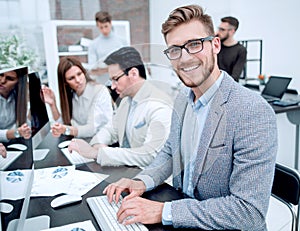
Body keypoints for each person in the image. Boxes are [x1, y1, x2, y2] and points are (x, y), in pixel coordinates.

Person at [103, 5, 277, 230]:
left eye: (194, 44)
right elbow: (169, 151)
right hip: (187, 218)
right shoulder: (183, 99)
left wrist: (164, 211)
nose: (184, 58)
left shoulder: (252, 111)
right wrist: (141, 181)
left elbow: (249, 211)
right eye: (174, 50)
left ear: (215, 45)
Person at [68, 46, 173, 167]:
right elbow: (111, 129)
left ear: (133, 73)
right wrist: (97, 143)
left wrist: (99, 153)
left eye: (115, 79)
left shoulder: (159, 105)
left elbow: (150, 155)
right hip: (130, 172)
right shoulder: (126, 100)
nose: (112, 86)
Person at [42, 57, 113, 139]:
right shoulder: (73, 94)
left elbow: (91, 129)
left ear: (84, 72)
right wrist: (52, 104)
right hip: (82, 142)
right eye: (71, 78)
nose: (78, 80)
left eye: (79, 74)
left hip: (100, 143)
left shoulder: (100, 91)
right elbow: (65, 123)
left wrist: (66, 130)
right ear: (65, 82)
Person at [88, 11, 128, 85]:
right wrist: (113, 68)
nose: (104, 30)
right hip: (102, 85)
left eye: (106, 26)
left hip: (121, 84)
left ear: (110, 23)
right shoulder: (93, 44)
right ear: (97, 26)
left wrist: (104, 69)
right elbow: (92, 69)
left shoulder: (122, 42)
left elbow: (128, 64)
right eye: (101, 27)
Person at [0, 69, 31, 142]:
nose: (2, 81)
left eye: (10, 78)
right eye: (0, 75)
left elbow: (24, 125)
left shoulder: (17, 97)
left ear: (18, 83)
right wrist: (14, 133)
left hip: (11, 143)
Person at [216, 16, 247, 82]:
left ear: (232, 31)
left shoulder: (240, 50)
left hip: (227, 86)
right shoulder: (216, 45)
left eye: (222, 29)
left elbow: (235, 77)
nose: (218, 32)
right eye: (219, 29)